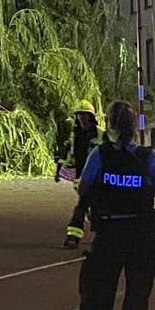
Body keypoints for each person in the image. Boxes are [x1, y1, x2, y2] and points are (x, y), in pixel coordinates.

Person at [69, 100, 155, 310]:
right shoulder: (149, 157)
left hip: (108, 236)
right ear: (136, 127)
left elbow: (83, 188)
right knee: (136, 305)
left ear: (110, 126)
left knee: (96, 302)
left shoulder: (100, 155)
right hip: (141, 239)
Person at [55, 101, 100, 248]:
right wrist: (59, 169)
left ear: (91, 117)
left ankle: (75, 237)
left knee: (85, 206)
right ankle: (78, 234)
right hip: (82, 177)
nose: (82, 118)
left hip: (98, 178)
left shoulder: (102, 135)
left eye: (85, 115)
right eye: (79, 115)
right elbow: (68, 153)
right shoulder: (75, 136)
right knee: (86, 206)